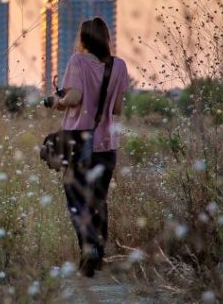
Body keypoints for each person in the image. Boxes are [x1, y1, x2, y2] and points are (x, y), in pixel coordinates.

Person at [48, 17, 129, 277]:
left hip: (79, 140)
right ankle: (97, 254)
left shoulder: (77, 61)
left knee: (75, 198)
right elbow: (117, 109)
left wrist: (57, 101)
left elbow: (75, 98)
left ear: (84, 39)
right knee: (98, 199)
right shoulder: (119, 66)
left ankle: (88, 247)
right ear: (106, 38)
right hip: (107, 143)